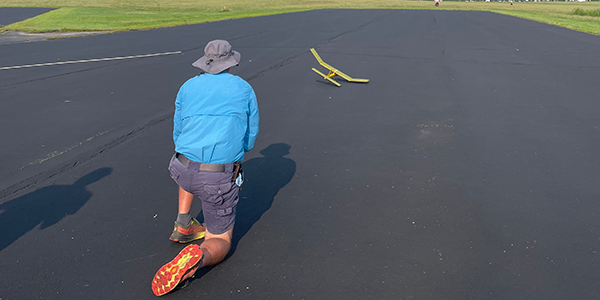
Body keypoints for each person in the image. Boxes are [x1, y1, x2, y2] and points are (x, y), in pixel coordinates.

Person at [151, 39, 259, 296]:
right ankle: (198, 257)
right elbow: (250, 135)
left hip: (181, 166)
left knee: (191, 169)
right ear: (231, 62)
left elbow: (178, 128)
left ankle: (183, 223)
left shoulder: (188, 86)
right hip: (216, 177)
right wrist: (237, 152)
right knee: (220, 240)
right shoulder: (243, 89)